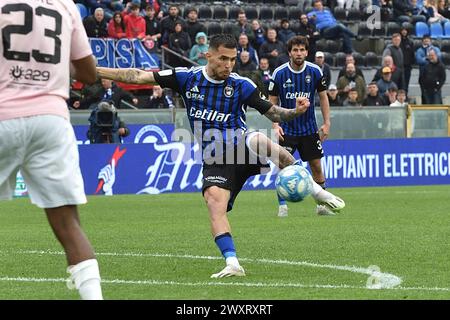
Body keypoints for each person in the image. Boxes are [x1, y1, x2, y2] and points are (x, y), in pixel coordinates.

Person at [97, 34, 345, 278]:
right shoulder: (186, 78)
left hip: (241, 147)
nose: (228, 65)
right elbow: (138, 76)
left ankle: (319, 194)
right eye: (223, 59)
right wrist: (94, 70)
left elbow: (274, 114)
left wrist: (295, 110)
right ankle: (233, 263)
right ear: (208, 55)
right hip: (214, 157)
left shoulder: (241, 85)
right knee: (214, 202)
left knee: (258, 138)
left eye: (232, 60)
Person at [0, 0, 102, 299]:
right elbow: (88, 72)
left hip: (4, 114)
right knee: (68, 223)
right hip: (52, 120)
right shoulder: (65, 5)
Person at [269, 35, 339, 218]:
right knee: (283, 167)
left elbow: (323, 98)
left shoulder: (315, 71)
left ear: (307, 52)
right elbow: (272, 101)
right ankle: (282, 207)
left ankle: (321, 206)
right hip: (287, 130)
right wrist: (275, 124)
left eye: (302, 50)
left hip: (309, 129)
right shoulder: (279, 73)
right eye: (295, 50)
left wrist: (327, 123)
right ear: (290, 52)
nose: (298, 53)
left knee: (316, 166)